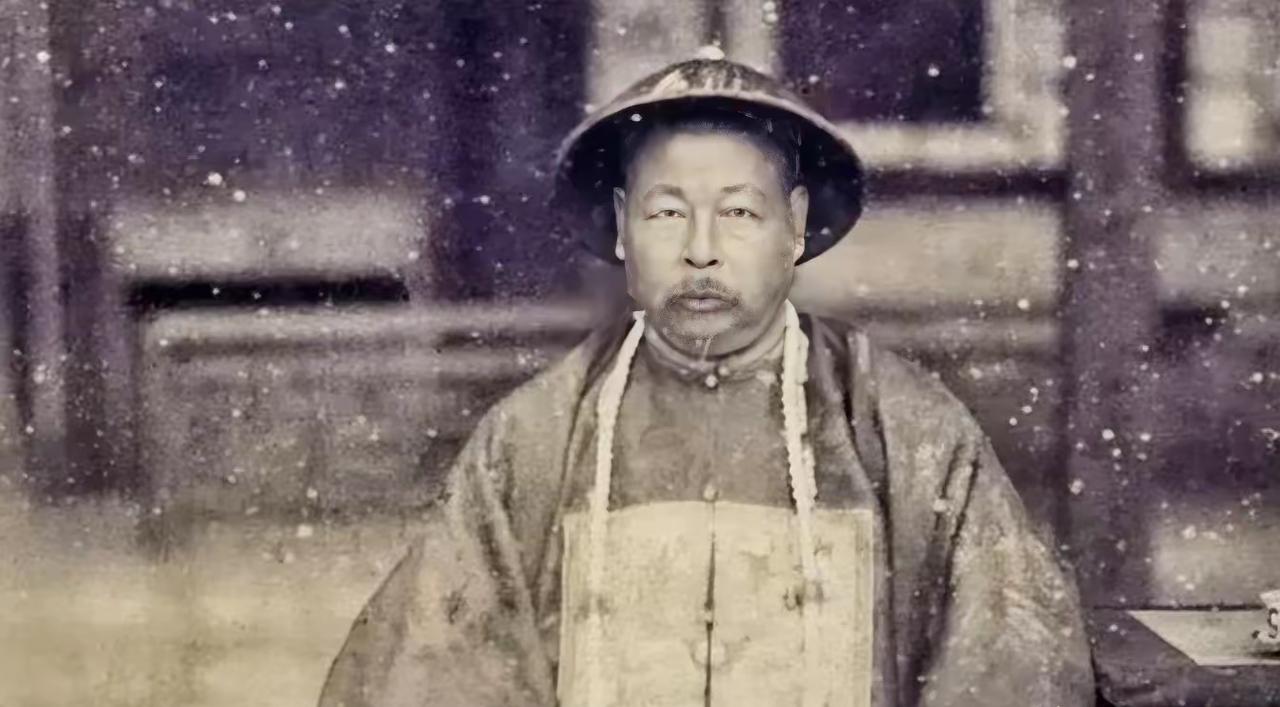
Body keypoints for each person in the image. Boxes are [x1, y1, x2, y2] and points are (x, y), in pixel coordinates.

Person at [319, 56, 1094, 707]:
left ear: (795, 225)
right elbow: (425, 671)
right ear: (621, 225)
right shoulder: (535, 439)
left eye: (739, 213)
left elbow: (1012, 659)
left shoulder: (904, 431)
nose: (700, 249)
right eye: (666, 213)